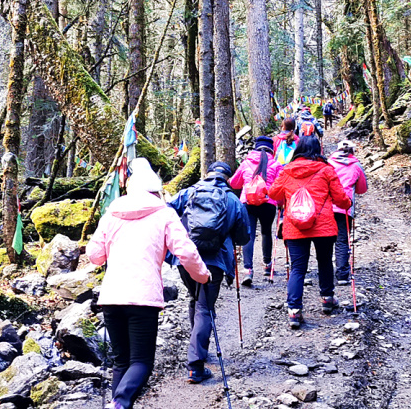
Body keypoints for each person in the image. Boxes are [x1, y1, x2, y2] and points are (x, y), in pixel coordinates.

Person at [87, 158, 211, 409]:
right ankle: (120, 402)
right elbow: (186, 252)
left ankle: (118, 404)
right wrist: (202, 276)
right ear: (156, 190)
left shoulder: (112, 212)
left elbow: (94, 255)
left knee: (121, 361)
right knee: (141, 362)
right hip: (143, 297)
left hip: (111, 297)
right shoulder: (164, 214)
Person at [168, 161, 250, 384]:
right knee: (205, 307)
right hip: (214, 261)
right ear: (227, 178)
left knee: (194, 299)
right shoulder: (232, 199)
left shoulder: (188, 193)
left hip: (185, 258)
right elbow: (243, 237)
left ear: (208, 173)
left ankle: (198, 349)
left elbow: (166, 212)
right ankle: (195, 365)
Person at [269, 135, 351, 329]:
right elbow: (341, 199)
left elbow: (273, 193)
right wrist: (348, 203)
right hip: (324, 225)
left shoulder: (287, 170)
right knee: (324, 261)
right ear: (317, 150)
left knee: (298, 268)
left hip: (295, 225)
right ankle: (327, 299)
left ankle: (294, 311)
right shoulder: (326, 170)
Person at [229, 136, 283, 286]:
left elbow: (234, 183)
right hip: (268, 202)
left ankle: (248, 270)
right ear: (272, 150)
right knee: (266, 232)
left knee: (249, 235)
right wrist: (280, 203)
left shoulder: (246, 163)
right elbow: (280, 187)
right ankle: (267, 265)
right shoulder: (277, 165)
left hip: (247, 203)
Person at [328, 140, 368, 285]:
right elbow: (362, 189)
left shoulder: (329, 163)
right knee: (342, 240)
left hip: (327, 206)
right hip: (345, 207)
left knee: (326, 239)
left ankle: (326, 272)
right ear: (352, 151)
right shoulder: (356, 165)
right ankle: (342, 275)